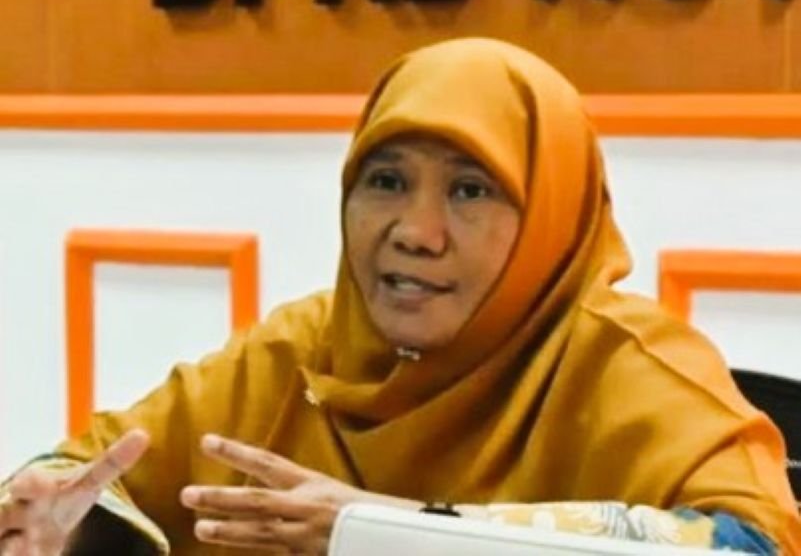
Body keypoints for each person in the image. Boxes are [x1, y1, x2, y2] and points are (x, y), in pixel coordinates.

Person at [1, 38, 799, 555]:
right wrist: (58, 525)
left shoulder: (630, 368)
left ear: (551, 216)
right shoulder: (300, 351)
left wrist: (379, 533)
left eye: (470, 190)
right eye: (385, 181)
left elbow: (748, 545)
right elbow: (87, 473)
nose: (415, 232)